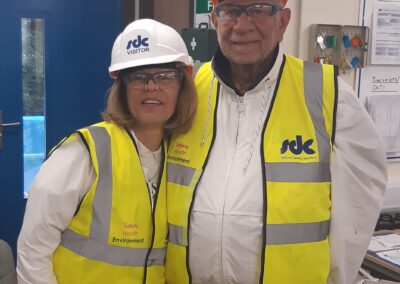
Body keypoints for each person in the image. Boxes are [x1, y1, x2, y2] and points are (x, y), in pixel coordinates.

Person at [165, 1, 388, 284]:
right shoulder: (188, 92)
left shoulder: (327, 95)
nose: (243, 26)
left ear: (282, 21)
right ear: (214, 20)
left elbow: (359, 206)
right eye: (231, 10)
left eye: (258, 9)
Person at [17, 18, 197, 284]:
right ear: (121, 86)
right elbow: (33, 250)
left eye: (165, 75)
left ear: (183, 84)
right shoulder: (83, 152)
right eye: (138, 76)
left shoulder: (181, 156)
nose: (151, 86)